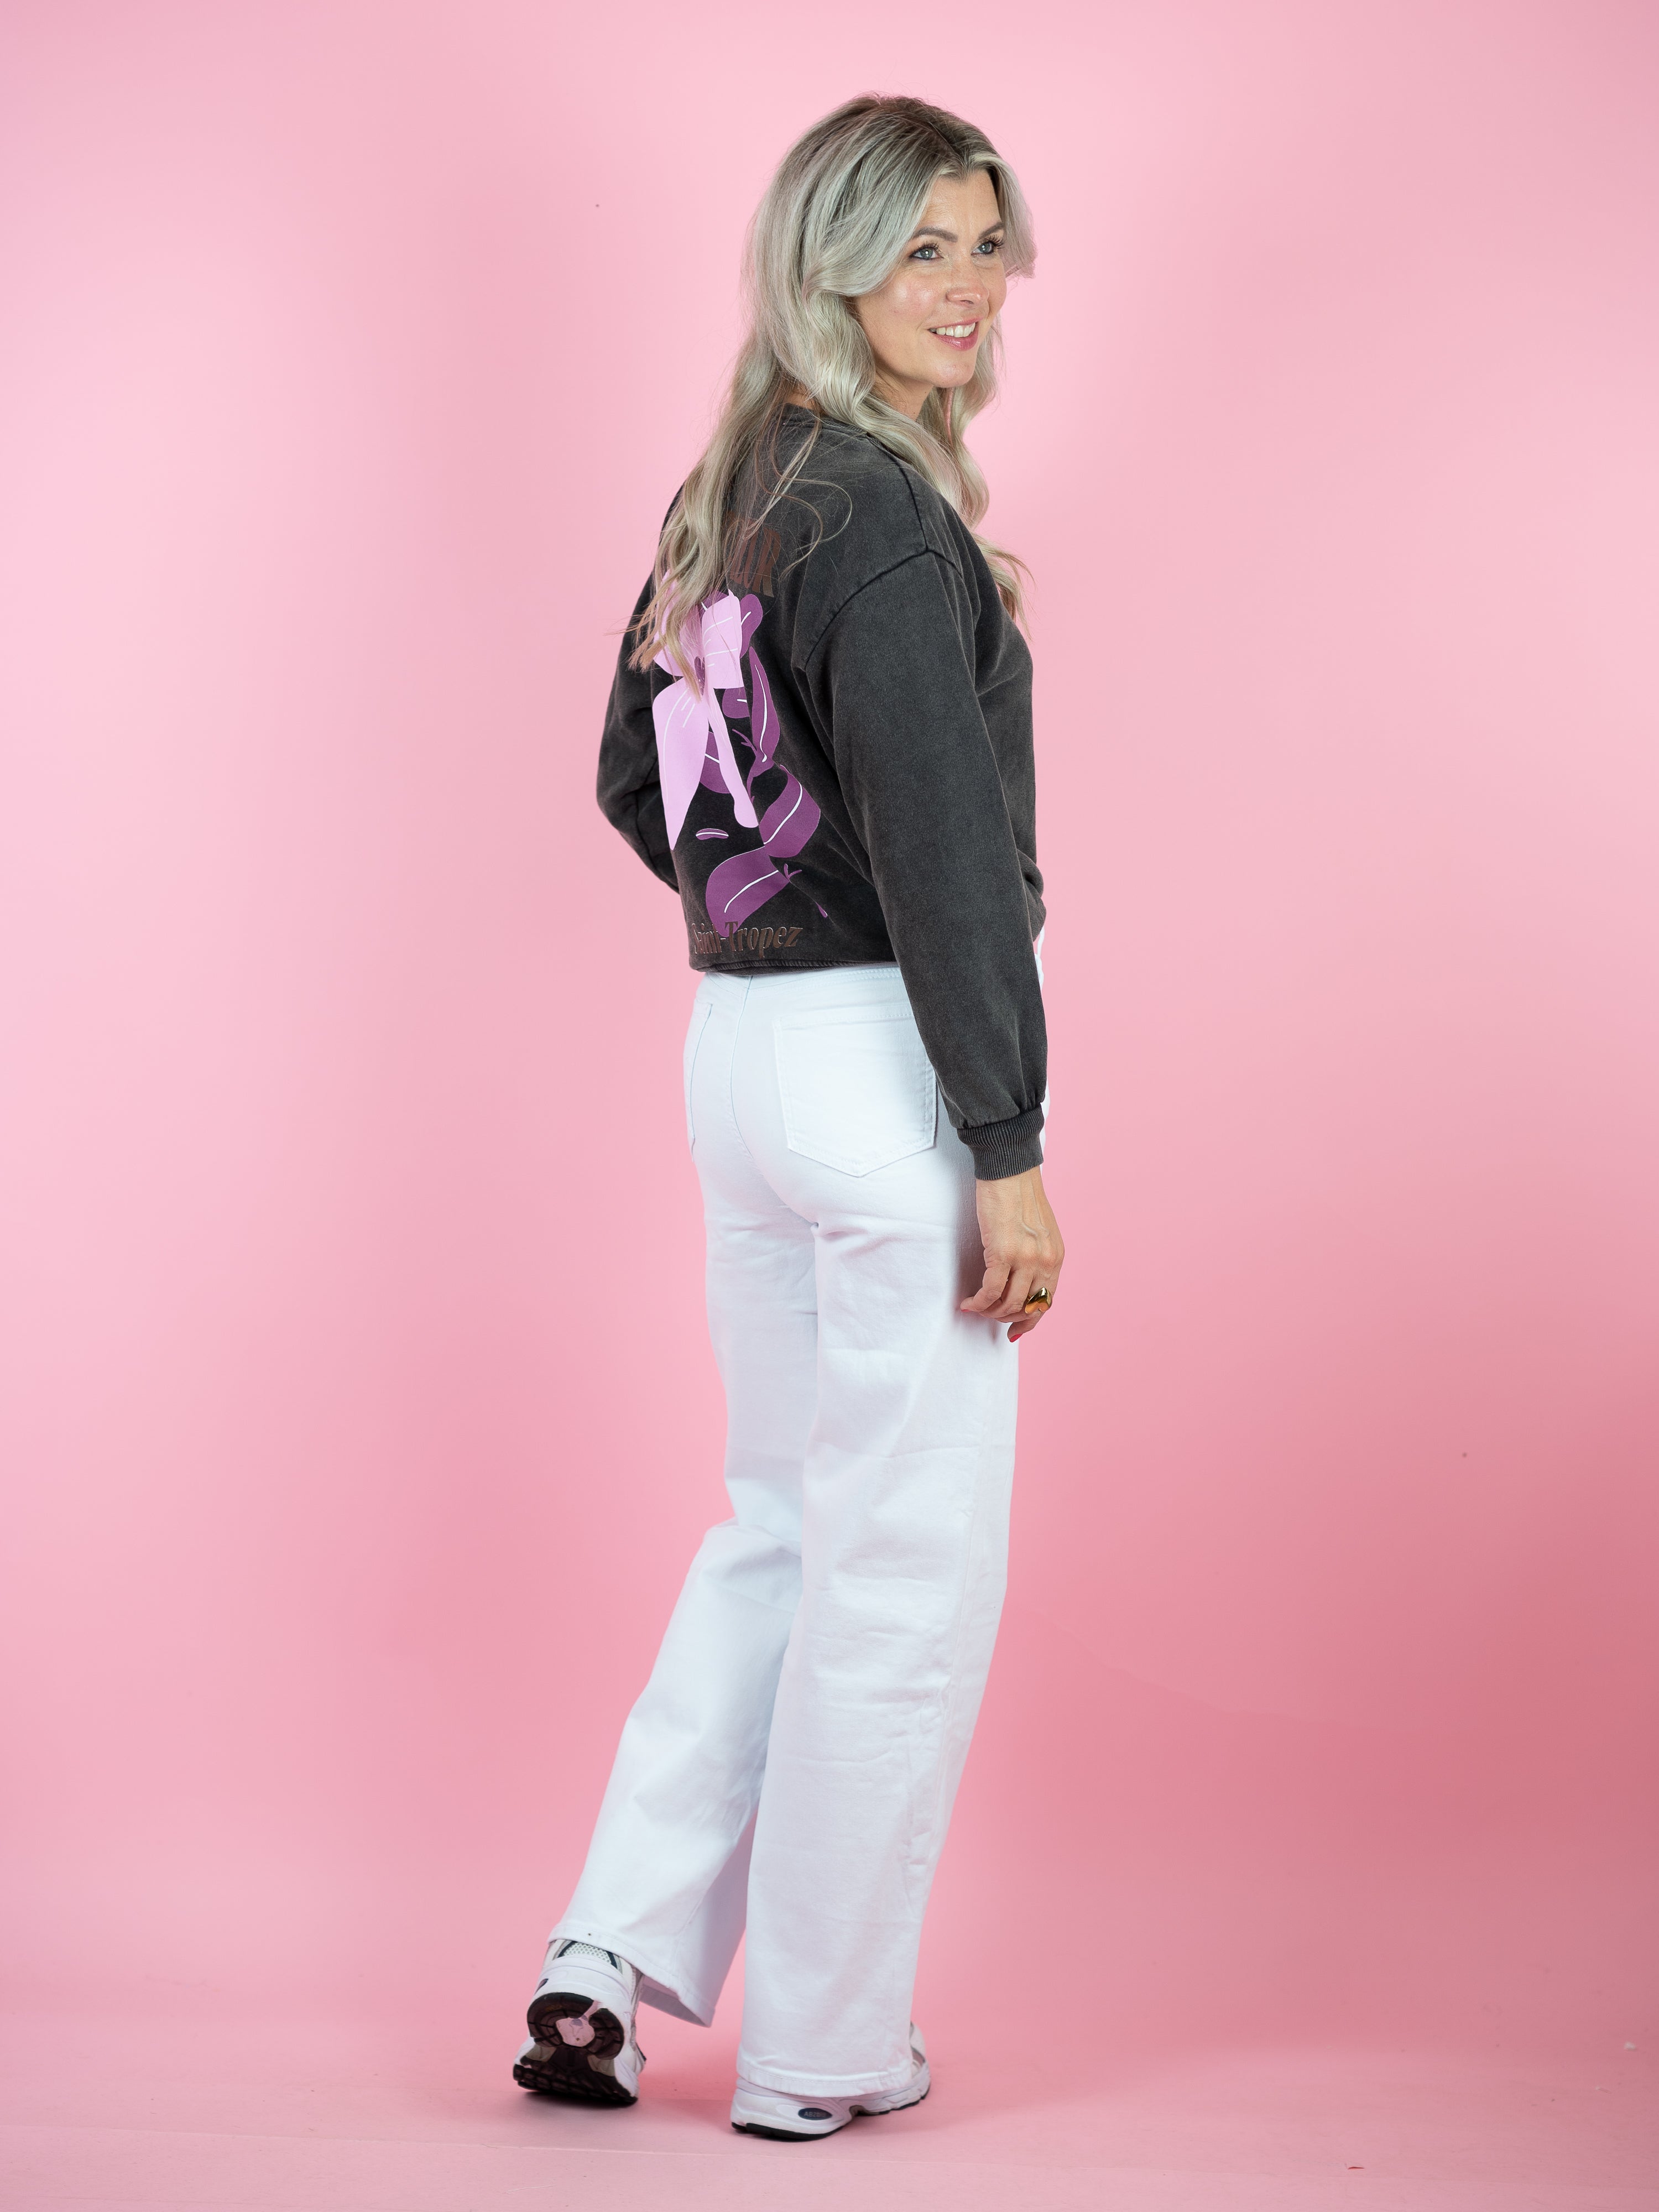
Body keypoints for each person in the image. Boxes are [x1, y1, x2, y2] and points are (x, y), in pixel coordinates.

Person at [514, 93, 1064, 2143]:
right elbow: (945, 856)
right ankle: (827, 2047)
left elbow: (630, 778)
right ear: (830, 263)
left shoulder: (734, 493)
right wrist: (1004, 1143)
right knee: (898, 1568)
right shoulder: (887, 523)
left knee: (781, 1527)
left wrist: (756, 892)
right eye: (923, 245)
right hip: (880, 1071)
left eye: (988, 244)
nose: (970, 285)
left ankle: (605, 1953)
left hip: (738, 1061)